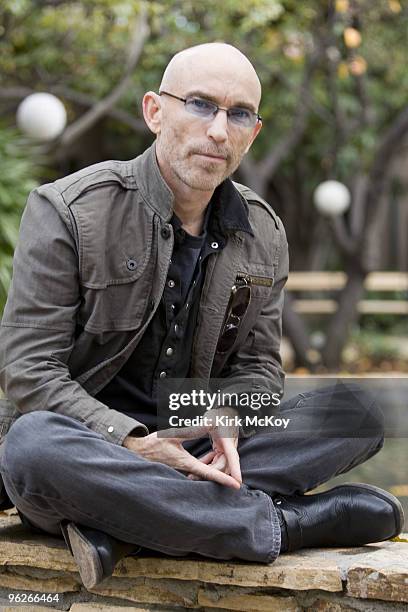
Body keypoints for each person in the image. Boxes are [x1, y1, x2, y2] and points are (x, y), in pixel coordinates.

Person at [0, 43, 403, 590]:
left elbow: (261, 371)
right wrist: (132, 442)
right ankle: (283, 524)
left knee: (356, 412)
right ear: (154, 111)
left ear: (253, 132)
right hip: (90, 447)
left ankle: (122, 527)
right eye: (200, 104)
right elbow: (29, 371)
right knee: (30, 446)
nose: (219, 129)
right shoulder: (67, 210)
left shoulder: (264, 231)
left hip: (200, 445)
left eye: (239, 114)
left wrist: (228, 414)